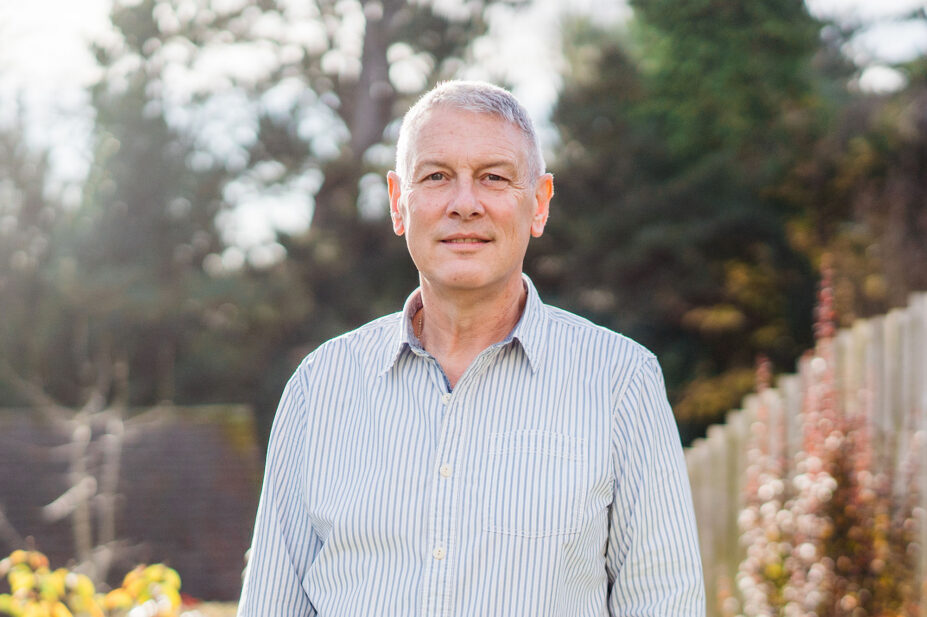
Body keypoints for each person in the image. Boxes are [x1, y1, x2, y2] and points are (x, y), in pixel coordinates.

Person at [238, 80, 705, 617]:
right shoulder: (319, 388)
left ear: (539, 204)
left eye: (494, 178)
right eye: (436, 177)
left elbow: (665, 604)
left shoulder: (621, 382)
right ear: (398, 203)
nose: (465, 204)